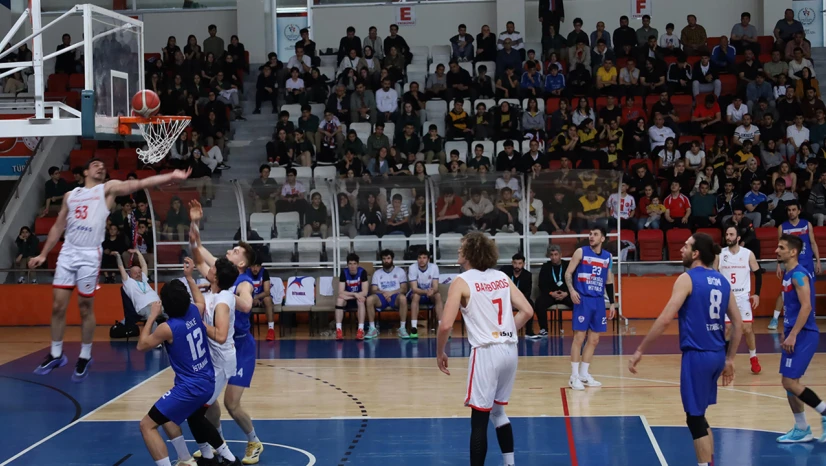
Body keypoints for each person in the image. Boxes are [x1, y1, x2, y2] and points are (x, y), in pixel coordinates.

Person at [30, 160, 190, 381]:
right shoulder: (70, 195)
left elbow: (140, 183)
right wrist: (43, 254)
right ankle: (56, 353)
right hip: (68, 253)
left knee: (85, 307)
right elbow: (58, 226)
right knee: (58, 306)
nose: (99, 167)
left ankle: (85, 355)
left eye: (102, 166)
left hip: (89, 254)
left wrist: (171, 175)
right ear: (85, 171)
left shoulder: (107, 189)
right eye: (95, 164)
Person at [628, 233, 742, 466]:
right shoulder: (721, 280)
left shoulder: (687, 278)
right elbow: (738, 325)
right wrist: (730, 359)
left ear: (696, 253)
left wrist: (640, 349)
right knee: (700, 415)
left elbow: (665, 318)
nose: (681, 249)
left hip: (697, 356)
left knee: (695, 418)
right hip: (718, 355)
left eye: (686, 246)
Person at [436, 232, 534, 466]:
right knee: (498, 413)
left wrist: (440, 352)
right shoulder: (502, 276)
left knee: (479, 420)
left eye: (462, 247)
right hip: (510, 350)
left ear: (470, 252)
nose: (459, 250)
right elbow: (528, 311)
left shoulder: (461, 281)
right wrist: (507, 331)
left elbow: (446, 324)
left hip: (486, 353)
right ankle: (509, 463)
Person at [136, 263, 241, 466]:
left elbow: (141, 345)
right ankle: (187, 459)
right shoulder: (194, 311)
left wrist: (151, 316)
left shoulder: (167, 328)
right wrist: (190, 279)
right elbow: (200, 300)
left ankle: (214, 456)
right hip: (206, 380)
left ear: (166, 305)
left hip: (191, 387)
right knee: (168, 415)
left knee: (146, 425)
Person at [187, 200, 263, 464]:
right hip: (218, 345)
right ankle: (216, 440)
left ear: (241, 261)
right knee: (210, 399)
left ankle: (253, 441)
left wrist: (232, 300)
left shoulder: (243, 282)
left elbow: (247, 302)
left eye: (234, 250)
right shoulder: (225, 274)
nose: (229, 251)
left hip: (239, 348)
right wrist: (194, 222)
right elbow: (198, 250)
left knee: (231, 403)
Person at [774, 234, 826, 443]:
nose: (776, 250)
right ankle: (802, 428)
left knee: (789, 382)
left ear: (793, 252)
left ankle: (824, 412)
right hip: (793, 333)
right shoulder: (788, 274)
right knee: (789, 382)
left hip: (804, 334)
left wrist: (793, 334)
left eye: (781, 247)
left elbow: (807, 307)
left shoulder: (798, 275)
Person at [564, 226, 615, 390]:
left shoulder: (607, 257)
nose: (591, 236)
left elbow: (608, 280)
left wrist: (612, 302)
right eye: (590, 234)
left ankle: (584, 374)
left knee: (594, 339)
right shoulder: (581, 252)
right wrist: (572, 290)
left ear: (602, 239)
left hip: (598, 301)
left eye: (595, 234)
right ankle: (574, 376)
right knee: (579, 338)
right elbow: (568, 273)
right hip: (583, 299)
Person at [714, 224, 763, 374]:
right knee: (727, 329)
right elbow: (714, 274)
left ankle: (753, 357)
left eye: (731, 234)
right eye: (727, 234)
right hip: (726, 297)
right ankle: (726, 361)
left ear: (738, 237)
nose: (728, 237)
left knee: (747, 329)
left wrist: (756, 294)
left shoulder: (748, 254)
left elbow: (758, 273)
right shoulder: (720, 255)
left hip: (743, 297)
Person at [769, 202, 822, 330]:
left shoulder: (807, 224)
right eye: (789, 210)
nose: (791, 212)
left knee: (807, 293)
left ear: (799, 211)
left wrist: (818, 261)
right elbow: (780, 247)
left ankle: (808, 319)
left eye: (793, 210)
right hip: (790, 264)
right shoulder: (782, 227)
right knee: (784, 291)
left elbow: (813, 243)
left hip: (807, 263)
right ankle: (775, 318)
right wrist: (778, 264)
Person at [530, 245, 571, 338]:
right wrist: (551, 293)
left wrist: (567, 293)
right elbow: (541, 285)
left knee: (578, 301)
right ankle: (544, 329)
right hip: (551, 294)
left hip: (565, 294)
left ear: (560, 255)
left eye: (556, 254)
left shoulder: (567, 265)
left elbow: (574, 281)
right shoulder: (545, 267)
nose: (554, 257)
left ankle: (579, 327)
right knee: (539, 303)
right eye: (551, 255)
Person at [366, 250, 409, 339]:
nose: (386, 261)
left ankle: (402, 328)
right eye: (384, 259)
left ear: (392, 259)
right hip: (381, 296)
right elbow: (373, 290)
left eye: (388, 258)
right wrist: (384, 293)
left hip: (395, 295)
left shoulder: (400, 271)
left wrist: (391, 293)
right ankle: (372, 328)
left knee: (403, 298)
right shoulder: (377, 273)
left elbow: (404, 289)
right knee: (369, 299)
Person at [408, 250, 442, 339]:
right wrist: (427, 292)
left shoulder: (434, 267)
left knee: (438, 295)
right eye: (419, 258)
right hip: (418, 293)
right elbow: (414, 288)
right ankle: (414, 327)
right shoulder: (412, 268)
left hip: (430, 293)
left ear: (428, 259)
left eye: (424, 258)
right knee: (416, 296)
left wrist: (432, 291)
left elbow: (435, 286)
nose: (421, 260)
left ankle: (441, 326)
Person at [336, 253, 369, 341]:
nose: (352, 266)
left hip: (357, 297)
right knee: (339, 300)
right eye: (350, 264)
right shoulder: (344, 272)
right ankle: (338, 330)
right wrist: (354, 294)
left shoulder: (362, 272)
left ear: (358, 264)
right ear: (347, 264)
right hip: (351, 297)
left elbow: (365, 292)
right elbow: (340, 292)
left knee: (361, 300)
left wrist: (355, 295)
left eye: (354, 264)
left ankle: (360, 330)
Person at [247, 257, 276, 341]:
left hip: (261, 297)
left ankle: (271, 330)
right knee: (242, 300)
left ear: (260, 266)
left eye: (257, 266)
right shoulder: (246, 273)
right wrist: (251, 299)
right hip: (249, 298)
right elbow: (242, 291)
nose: (255, 269)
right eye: (253, 266)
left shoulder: (264, 272)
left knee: (268, 299)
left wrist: (256, 297)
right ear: (249, 266)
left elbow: (267, 292)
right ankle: (244, 331)